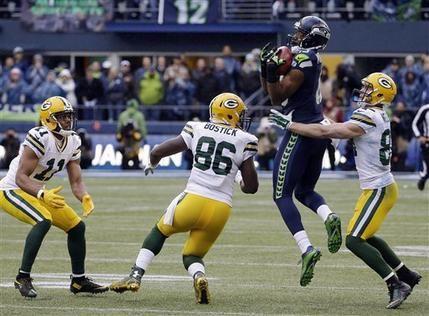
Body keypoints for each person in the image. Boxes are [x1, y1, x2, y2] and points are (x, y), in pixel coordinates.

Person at [269, 72, 422, 309]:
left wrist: (291, 125)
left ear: (379, 94)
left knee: (354, 241)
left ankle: (395, 283)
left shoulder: (368, 116)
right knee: (366, 236)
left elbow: (326, 132)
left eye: (368, 89)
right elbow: (331, 127)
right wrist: (319, 118)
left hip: (379, 189)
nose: (363, 92)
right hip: (380, 187)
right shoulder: (377, 114)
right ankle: (407, 275)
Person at [109, 93, 259, 304]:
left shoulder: (197, 128)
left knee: (160, 231)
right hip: (220, 209)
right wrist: (241, 180)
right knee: (192, 255)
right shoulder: (246, 140)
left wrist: (152, 163)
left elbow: (158, 150)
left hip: (193, 199)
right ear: (231, 115)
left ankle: (135, 275)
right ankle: (199, 277)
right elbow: (251, 187)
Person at [259, 15, 342, 286]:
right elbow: (272, 90)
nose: (294, 36)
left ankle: (306, 248)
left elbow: (277, 96)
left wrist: (272, 72)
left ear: (310, 36)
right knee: (304, 191)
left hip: (300, 130)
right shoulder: (309, 58)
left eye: (299, 33)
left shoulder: (305, 59)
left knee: (281, 195)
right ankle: (329, 216)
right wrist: (265, 70)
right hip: (317, 129)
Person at [0, 96, 108, 298]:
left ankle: (78, 280)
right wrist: (42, 193)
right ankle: (22, 277)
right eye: (62, 116)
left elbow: (75, 180)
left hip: (39, 192)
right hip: (12, 190)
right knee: (43, 220)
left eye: (69, 116)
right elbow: (21, 177)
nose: (68, 120)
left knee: (76, 227)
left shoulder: (74, 140)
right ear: (49, 119)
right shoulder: (40, 136)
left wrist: (83, 196)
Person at [116, 99, 147, 170]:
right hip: (135, 140)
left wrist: (119, 136)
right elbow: (142, 128)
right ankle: (136, 164)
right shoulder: (139, 115)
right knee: (135, 155)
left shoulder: (123, 115)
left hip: (125, 140)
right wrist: (144, 137)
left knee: (125, 159)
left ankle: (125, 164)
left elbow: (119, 129)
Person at [412, 103, 429, 190]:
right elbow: (414, 124)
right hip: (427, 143)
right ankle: (423, 178)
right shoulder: (425, 109)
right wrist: (419, 136)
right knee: (427, 169)